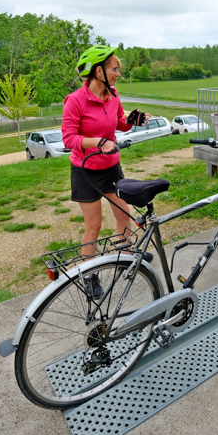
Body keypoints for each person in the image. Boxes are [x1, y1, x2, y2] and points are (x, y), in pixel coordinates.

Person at [61, 45, 151, 297]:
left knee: (124, 214)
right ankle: (89, 276)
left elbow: (119, 123)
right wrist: (98, 142)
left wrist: (132, 120)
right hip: (86, 171)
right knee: (94, 226)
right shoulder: (75, 101)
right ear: (97, 70)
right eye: (114, 69)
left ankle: (127, 258)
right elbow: (69, 139)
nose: (118, 74)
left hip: (110, 168)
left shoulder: (113, 95)